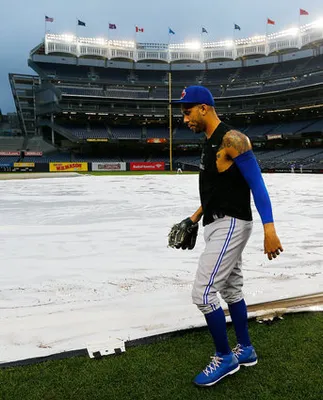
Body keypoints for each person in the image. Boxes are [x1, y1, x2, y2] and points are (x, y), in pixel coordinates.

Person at [168, 86, 283, 387]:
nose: (184, 118)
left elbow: (257, 184)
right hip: (216, 223)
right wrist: (193, 218)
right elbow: (217, 191)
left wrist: (269, 229)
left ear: (204, 108)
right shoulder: (209, 143)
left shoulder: (233, 139)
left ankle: (225, 357)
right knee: (231, 291)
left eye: (187, 111)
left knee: (203, 293)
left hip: (231, 224)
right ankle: (245, 350)